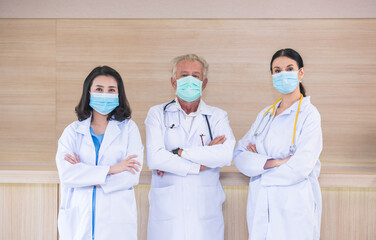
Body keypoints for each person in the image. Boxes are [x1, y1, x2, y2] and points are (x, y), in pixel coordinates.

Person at [233, 48, 323, 240]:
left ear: (301, 72)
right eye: (277, 70)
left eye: (289, 68)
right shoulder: (265, 114)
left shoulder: (309, 115)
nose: (283, 74)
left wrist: (259, 168)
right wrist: (274, 162)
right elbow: (240, 155)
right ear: (272, 75)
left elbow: (301, 167)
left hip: (294, 208)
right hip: (261, 207)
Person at [145, 54, 235, 240]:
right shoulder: (157, 114)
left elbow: (225, 155)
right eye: (184, 75)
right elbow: (155, 158)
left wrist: (177, 154)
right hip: (168, 217)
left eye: (195, 76)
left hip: (205, 215)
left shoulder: (217, 116)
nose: (189, 80)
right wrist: (203, 161)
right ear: (173, 81)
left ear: (204, 82)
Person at [56, 66, 143, 240]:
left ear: (119, 94)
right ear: (89, 93)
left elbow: (131, 175)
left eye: (111, 90)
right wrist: (112, 169)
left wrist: (86, 176)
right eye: (99, 89)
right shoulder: (73, 131)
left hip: (116, 219)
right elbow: (67, 174)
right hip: (79, 217)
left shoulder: (129, 129)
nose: (105, 94)